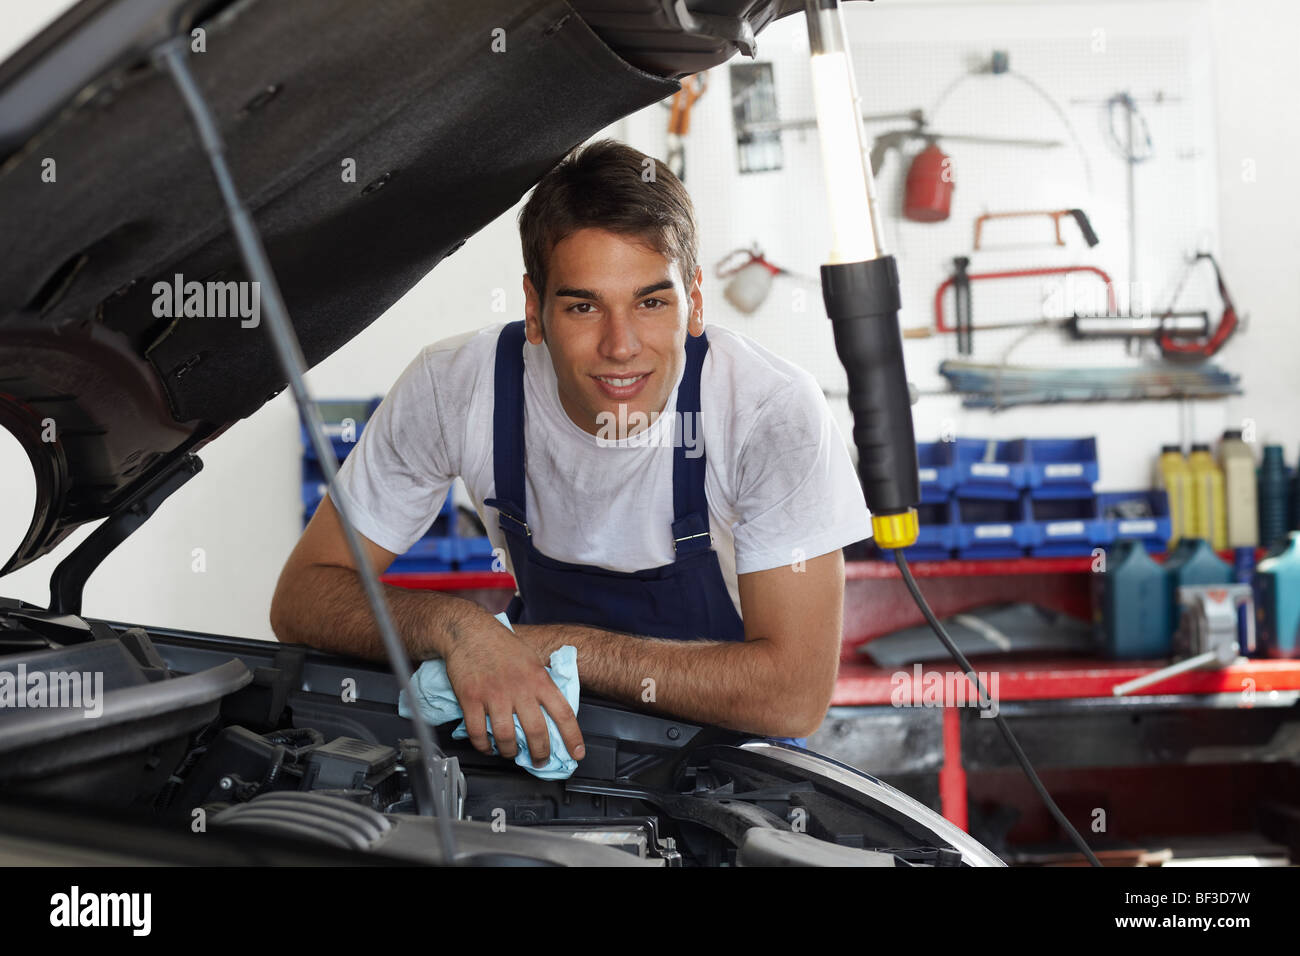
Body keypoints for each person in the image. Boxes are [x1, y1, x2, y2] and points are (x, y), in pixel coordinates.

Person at [270, 139, 871, 765]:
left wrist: (540, 646)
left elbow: (791, 696)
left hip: (729, 764)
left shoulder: (769, 414)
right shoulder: (457, 387)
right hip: (540, 737)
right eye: (583, 306)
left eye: (651, 302)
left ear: (695, 301)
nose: (621, 346)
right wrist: (458, 629)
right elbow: (301, 599)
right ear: (534, 310)